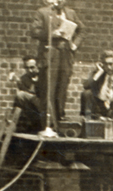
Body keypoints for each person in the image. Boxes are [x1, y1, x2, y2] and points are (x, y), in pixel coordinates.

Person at [29, 0, 83, 132]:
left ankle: (60, 125)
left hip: (66, 55)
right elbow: (35, 31)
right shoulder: (43, 12)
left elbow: (81, 30)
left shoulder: (71, 13)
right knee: (49, 90)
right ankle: (49, 126)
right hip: (50, 54)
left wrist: (74, 45)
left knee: (62, 90)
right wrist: (52, 34)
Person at [80, 49, 113, 119]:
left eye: (111, 64)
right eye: (106, 64)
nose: (108, 67)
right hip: (99, 106)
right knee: (86, 93)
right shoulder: (99, 74)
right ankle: (87, 120)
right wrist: (100, 71)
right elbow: (86, 86)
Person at [13, 55, 45, 132]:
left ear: (37, 66)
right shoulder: (23, 79)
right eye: (27, 68)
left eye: (32, 67)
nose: (29, 70)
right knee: (20, 95)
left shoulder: (43, 77)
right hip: (32, 109)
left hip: (43, 104)